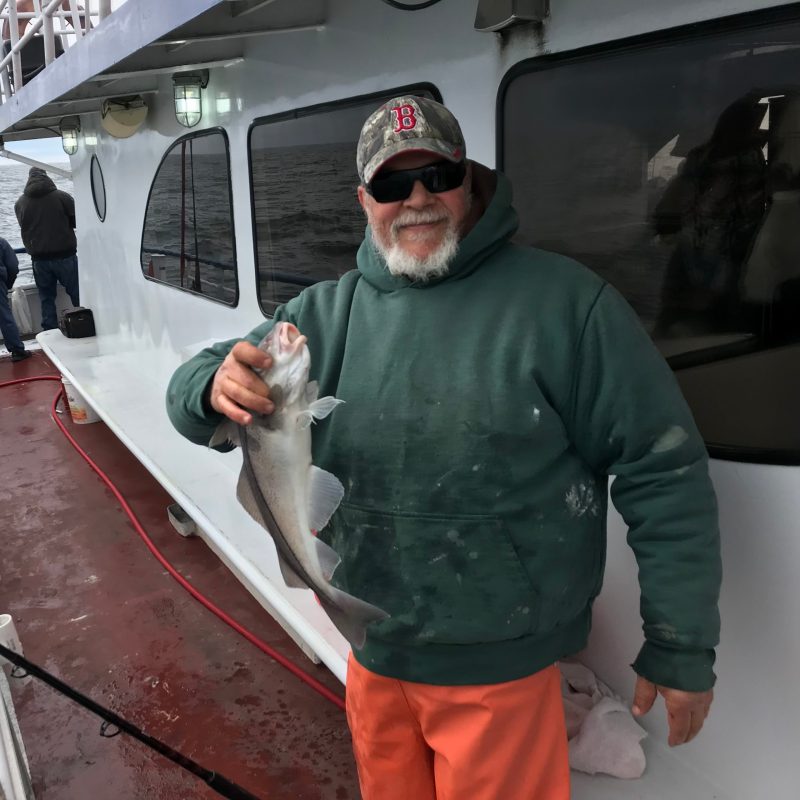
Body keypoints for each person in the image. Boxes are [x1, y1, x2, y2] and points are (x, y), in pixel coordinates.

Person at [166, 96, 721, 800]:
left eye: (437, 176)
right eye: (394, 185)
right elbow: (191, 394)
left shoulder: (569, 307)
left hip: (500, 666)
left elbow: (662, 469)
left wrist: (680, 644)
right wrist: (208, 386)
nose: (418, 199)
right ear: (365, 200)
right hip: (371, 649)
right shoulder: (318, 318)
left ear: (471, 181)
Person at [15, 166, 79, 331]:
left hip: (39, 260)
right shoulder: (62, 197)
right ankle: (82, 320)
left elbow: (24, 226)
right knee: (77, 292)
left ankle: (49, 330)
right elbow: (76, 222)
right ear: (46, 177)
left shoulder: (20, 203)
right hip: (65, 256)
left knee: (46, 298)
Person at [0, 235, 31, 361]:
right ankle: (17, 350)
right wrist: (7, 285)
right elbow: (12, 266)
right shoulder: (1, 243)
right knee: (4, 317)